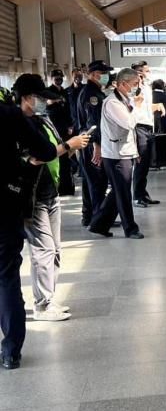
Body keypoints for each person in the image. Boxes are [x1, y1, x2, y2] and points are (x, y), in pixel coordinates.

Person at [14, 74, 90, 322]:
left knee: (54, 250)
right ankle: (43, 305)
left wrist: (70, 147)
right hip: (31, 196)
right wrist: (69, 145)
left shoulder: (41, 120)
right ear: (26, 98)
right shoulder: (15, 125)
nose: (44, 103)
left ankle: (48, 297)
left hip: (50, 191)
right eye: (39, 99)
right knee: (43, 250)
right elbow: (38, 157)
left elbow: (54, 149)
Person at [0, 92, 59, 370]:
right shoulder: (8, 114)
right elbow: (46, 151)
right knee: (6, 276)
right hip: (4, 207)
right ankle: (11, 350)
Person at [88, 68, 144, 240]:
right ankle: (130, 228)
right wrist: (138, 107)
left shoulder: (124, 99)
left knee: (119, 191)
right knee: (123, 192)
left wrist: (135, 152)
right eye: (135, 84)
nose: (137, 87)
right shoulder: (112, 103)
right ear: (122, 84)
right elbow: (129, 124)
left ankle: (99, 224)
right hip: (116, 155)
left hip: (124, 151)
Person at [77, 60, 112, 228]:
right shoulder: (92, 95)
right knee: (98, 182)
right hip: (92, 143)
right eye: (102, 73)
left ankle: (88, 216)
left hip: (88, 142)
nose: (105, 76)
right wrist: (97, 146)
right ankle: (98, 219)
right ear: (92, 74)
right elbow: (93, 123)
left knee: (89, 182)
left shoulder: (94, 91)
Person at [130, 61, 160, 208]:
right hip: (138, 126)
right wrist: (137, 85)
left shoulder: (146, 87)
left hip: (148, 126)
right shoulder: (133, 88)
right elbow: (134, 105)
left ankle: (143, 193)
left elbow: (146, 107)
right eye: (146, 71)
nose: (149, 74)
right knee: (140, 162)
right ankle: (137, 196)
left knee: (146, 162)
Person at [46, 70, 75, 196]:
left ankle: (67, 187)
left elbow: (69, 109)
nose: (59, 80)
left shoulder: (65, 91)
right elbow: (46, 104)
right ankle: (59, 187)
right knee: (58, 157)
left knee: (67, 159)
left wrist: (71, 125)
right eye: (56, 78)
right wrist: (55, 100)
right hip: (54, 127)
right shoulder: (48, 91)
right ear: (51, 78)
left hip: (66, 128)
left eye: (60, 78)